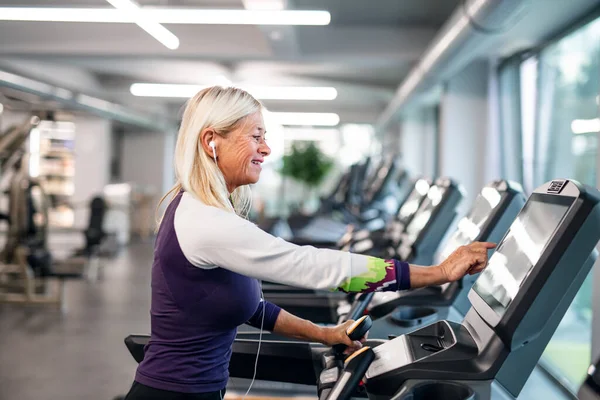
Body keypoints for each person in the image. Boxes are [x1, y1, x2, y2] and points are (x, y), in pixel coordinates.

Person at [123, 86, 495, 400]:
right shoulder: (205, 220)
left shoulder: (203, 210)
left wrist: (324, 333)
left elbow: (251, 306)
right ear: (211, 142)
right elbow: (310, 266)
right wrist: (438, 273)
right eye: (255, 136)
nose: (266, 149)